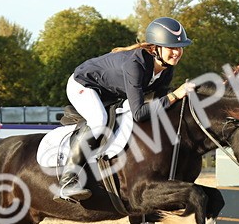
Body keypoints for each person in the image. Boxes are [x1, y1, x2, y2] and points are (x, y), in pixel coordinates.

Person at [57, 17, 194, 201]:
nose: (177, 52)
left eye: (180, 47)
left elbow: (159, 104)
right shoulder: (136, 66)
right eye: (172, 48)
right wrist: (175, 95)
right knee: (98, 122)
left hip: (111, 92)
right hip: (83, 84)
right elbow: (140, 113)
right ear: (155, 49)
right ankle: (68, 181)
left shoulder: (166, 69)